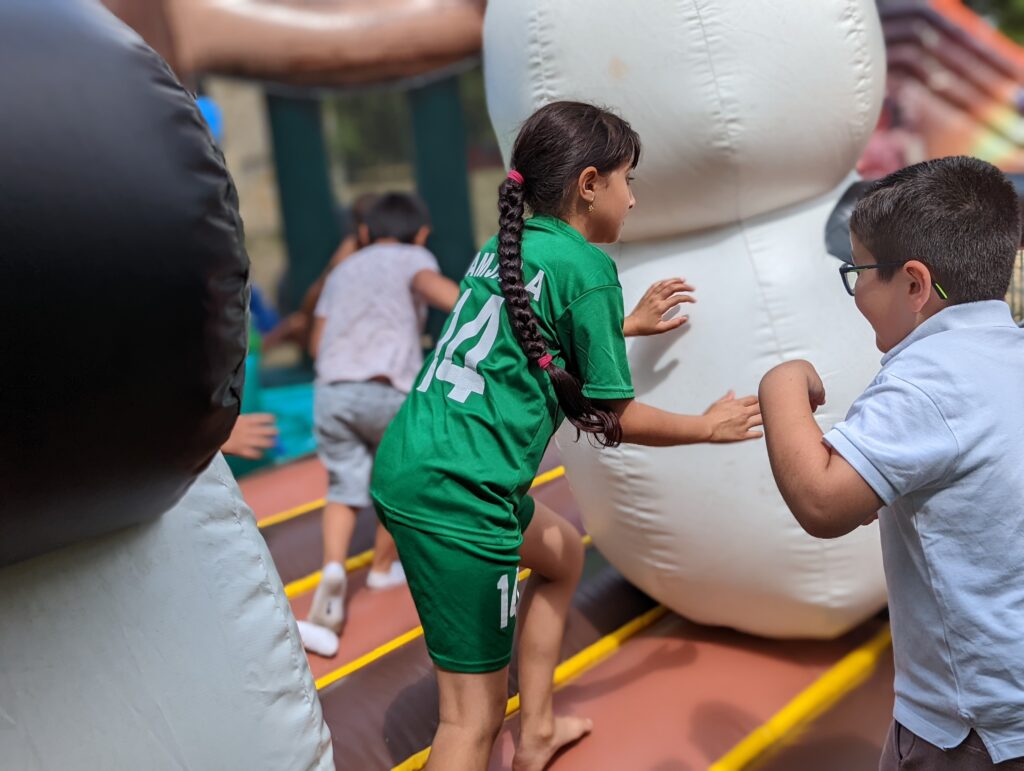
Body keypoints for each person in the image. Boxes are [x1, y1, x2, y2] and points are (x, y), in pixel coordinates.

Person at [369, 101, 763, 771]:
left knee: (561, 556)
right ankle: (512, 730)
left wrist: (622, 327)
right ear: (588, 184)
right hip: (463, 494)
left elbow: (526, 338)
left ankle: (542, 729)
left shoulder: (506, 246)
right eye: (626, 180)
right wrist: (707, 426)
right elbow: (619, 416)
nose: (632, 199)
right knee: (471, 720)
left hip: (414, 459)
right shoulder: (587, 269)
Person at [758, 157, 1024, 769]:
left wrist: (781, 385)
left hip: (967, 726)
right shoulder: (1007, 354)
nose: (855, 291)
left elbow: (823, 502)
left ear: (913, 284)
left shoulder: (931, 377)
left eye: (857, 272)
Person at [299, 192, 461, 658]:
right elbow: (442, 293)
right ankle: (382, 568)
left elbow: (316, 342)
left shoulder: (343, 270)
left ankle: (333, 568)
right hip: (389, 389)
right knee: (396, 477)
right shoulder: (415, 256)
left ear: (365, 233)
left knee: (342, 487)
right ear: (423, 233)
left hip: (333, 391)